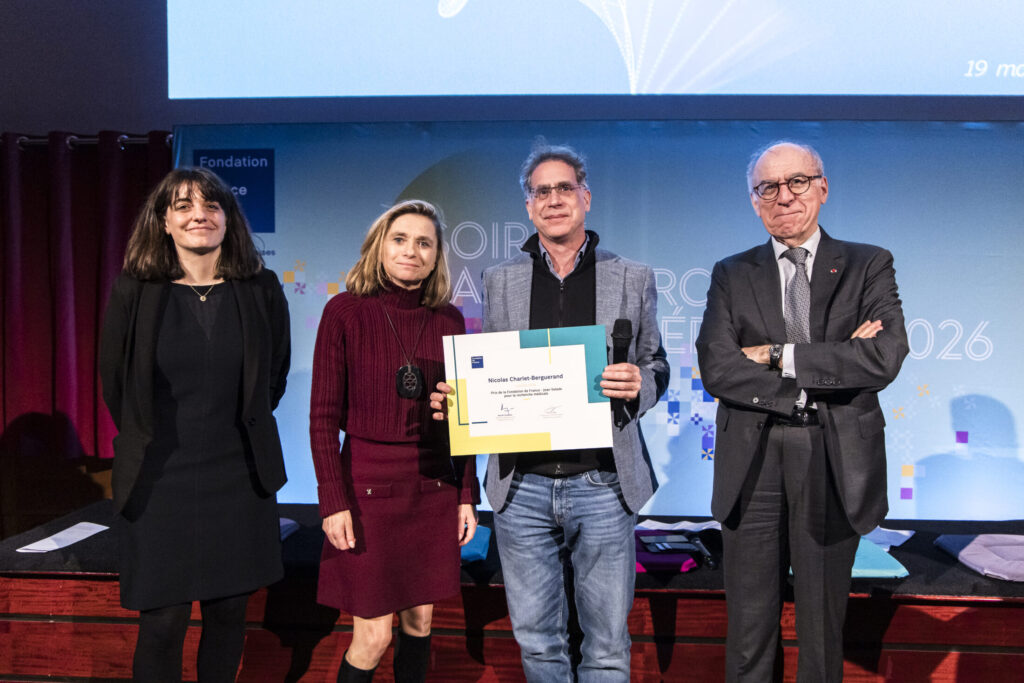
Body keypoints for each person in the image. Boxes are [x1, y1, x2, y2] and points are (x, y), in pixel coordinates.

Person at [431, 143, 669, 681]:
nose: (554, 199)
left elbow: (656, 364)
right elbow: (491, 368)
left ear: (586, 197)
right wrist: (462, 398)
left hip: (604, 482)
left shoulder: (632, 275)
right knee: (537, 645)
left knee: (607, 648)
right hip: (523, 487)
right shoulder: (501, 279)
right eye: (543, 191)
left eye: (565, 188)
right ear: (528, 205)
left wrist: (640, 385)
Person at [695, 141, 908, 682]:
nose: (783, 196)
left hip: (831, 454)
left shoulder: (868, 263)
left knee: (820, 631)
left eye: (797, 182)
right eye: (768, 187)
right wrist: (816, 377)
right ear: (753, 200)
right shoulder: (732, 273)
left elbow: (882, 357)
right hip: (754, 456)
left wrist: (775, 354)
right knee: (748, 631)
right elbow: (718, 367)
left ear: (822, 187)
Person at [99, 167, 291, 681]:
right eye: (182, 206)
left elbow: (273, 378)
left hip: (239, 477)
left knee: (228, 616)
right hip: (159, 480)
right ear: (163, 221)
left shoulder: (262, 289)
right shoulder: (134, 292)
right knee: (163, 622)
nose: (197, 215)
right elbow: (116, 386)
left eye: (210, 205)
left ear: (229, 220)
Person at [309, 199, 480, 682]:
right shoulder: (343, 312)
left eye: (424, 242)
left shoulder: (448, 318)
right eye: (400, 239)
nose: (412, 251)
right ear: (379, 247)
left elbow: (463, 419)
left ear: (436, 255)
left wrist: (467, 495)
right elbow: (322, 418)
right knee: (373, 637)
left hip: (432, 489)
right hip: (366, 489)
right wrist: (331, 500)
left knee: (420, 622)